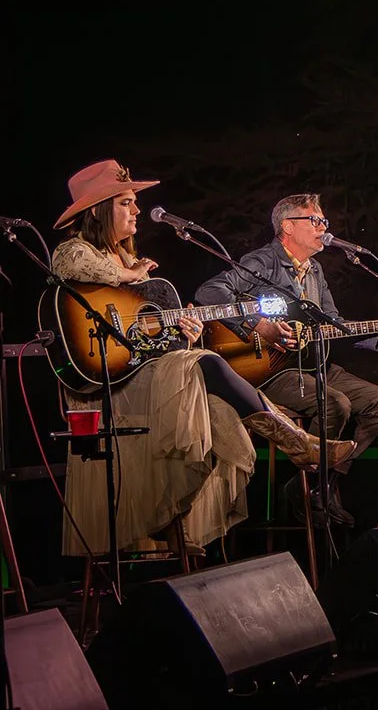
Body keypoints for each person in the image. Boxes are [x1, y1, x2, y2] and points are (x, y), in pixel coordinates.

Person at [49, 161, 355, 554]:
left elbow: (148, 341)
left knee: (222, 422)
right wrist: (129, 275)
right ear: (97, 210)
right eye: (126, 202)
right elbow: (67, 262)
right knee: (208, 363)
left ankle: (169, 516)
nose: (137, 210)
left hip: (145, 377)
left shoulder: (131, 261)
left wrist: (185, 334)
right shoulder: (80, 252)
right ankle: (297, 441)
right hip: (109, 387)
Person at [195, 193, 378, 527]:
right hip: (271, 370)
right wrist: (258, 325)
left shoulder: (315, 272)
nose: (323, 227)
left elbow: (334, 325)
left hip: (313, 364)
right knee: (336, 403)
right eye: (314, 220)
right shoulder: (262, 261)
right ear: (287, 226)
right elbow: (210, 292)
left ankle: (317, 484)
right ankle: (314, 488)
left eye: (324, 221)